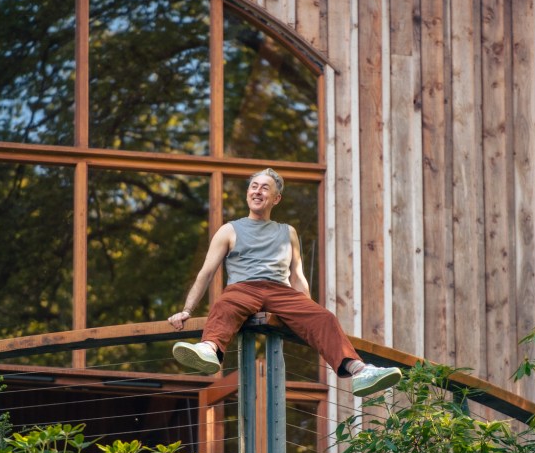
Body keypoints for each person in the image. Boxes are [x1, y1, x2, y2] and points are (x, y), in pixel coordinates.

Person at [168, 168, 402, 398]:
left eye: (265, 188)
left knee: (324, 318)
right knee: (225, 305)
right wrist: (186, 310)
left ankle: (359, 371)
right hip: (243, 288)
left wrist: (306, 313)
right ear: (247, 193)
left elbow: (298, 277)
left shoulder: (287, 232)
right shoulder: (229, 230)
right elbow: (206, 272)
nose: (257, 192)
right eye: (254, 186)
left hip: (282, 292)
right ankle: (209, 349)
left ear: (276, 198)